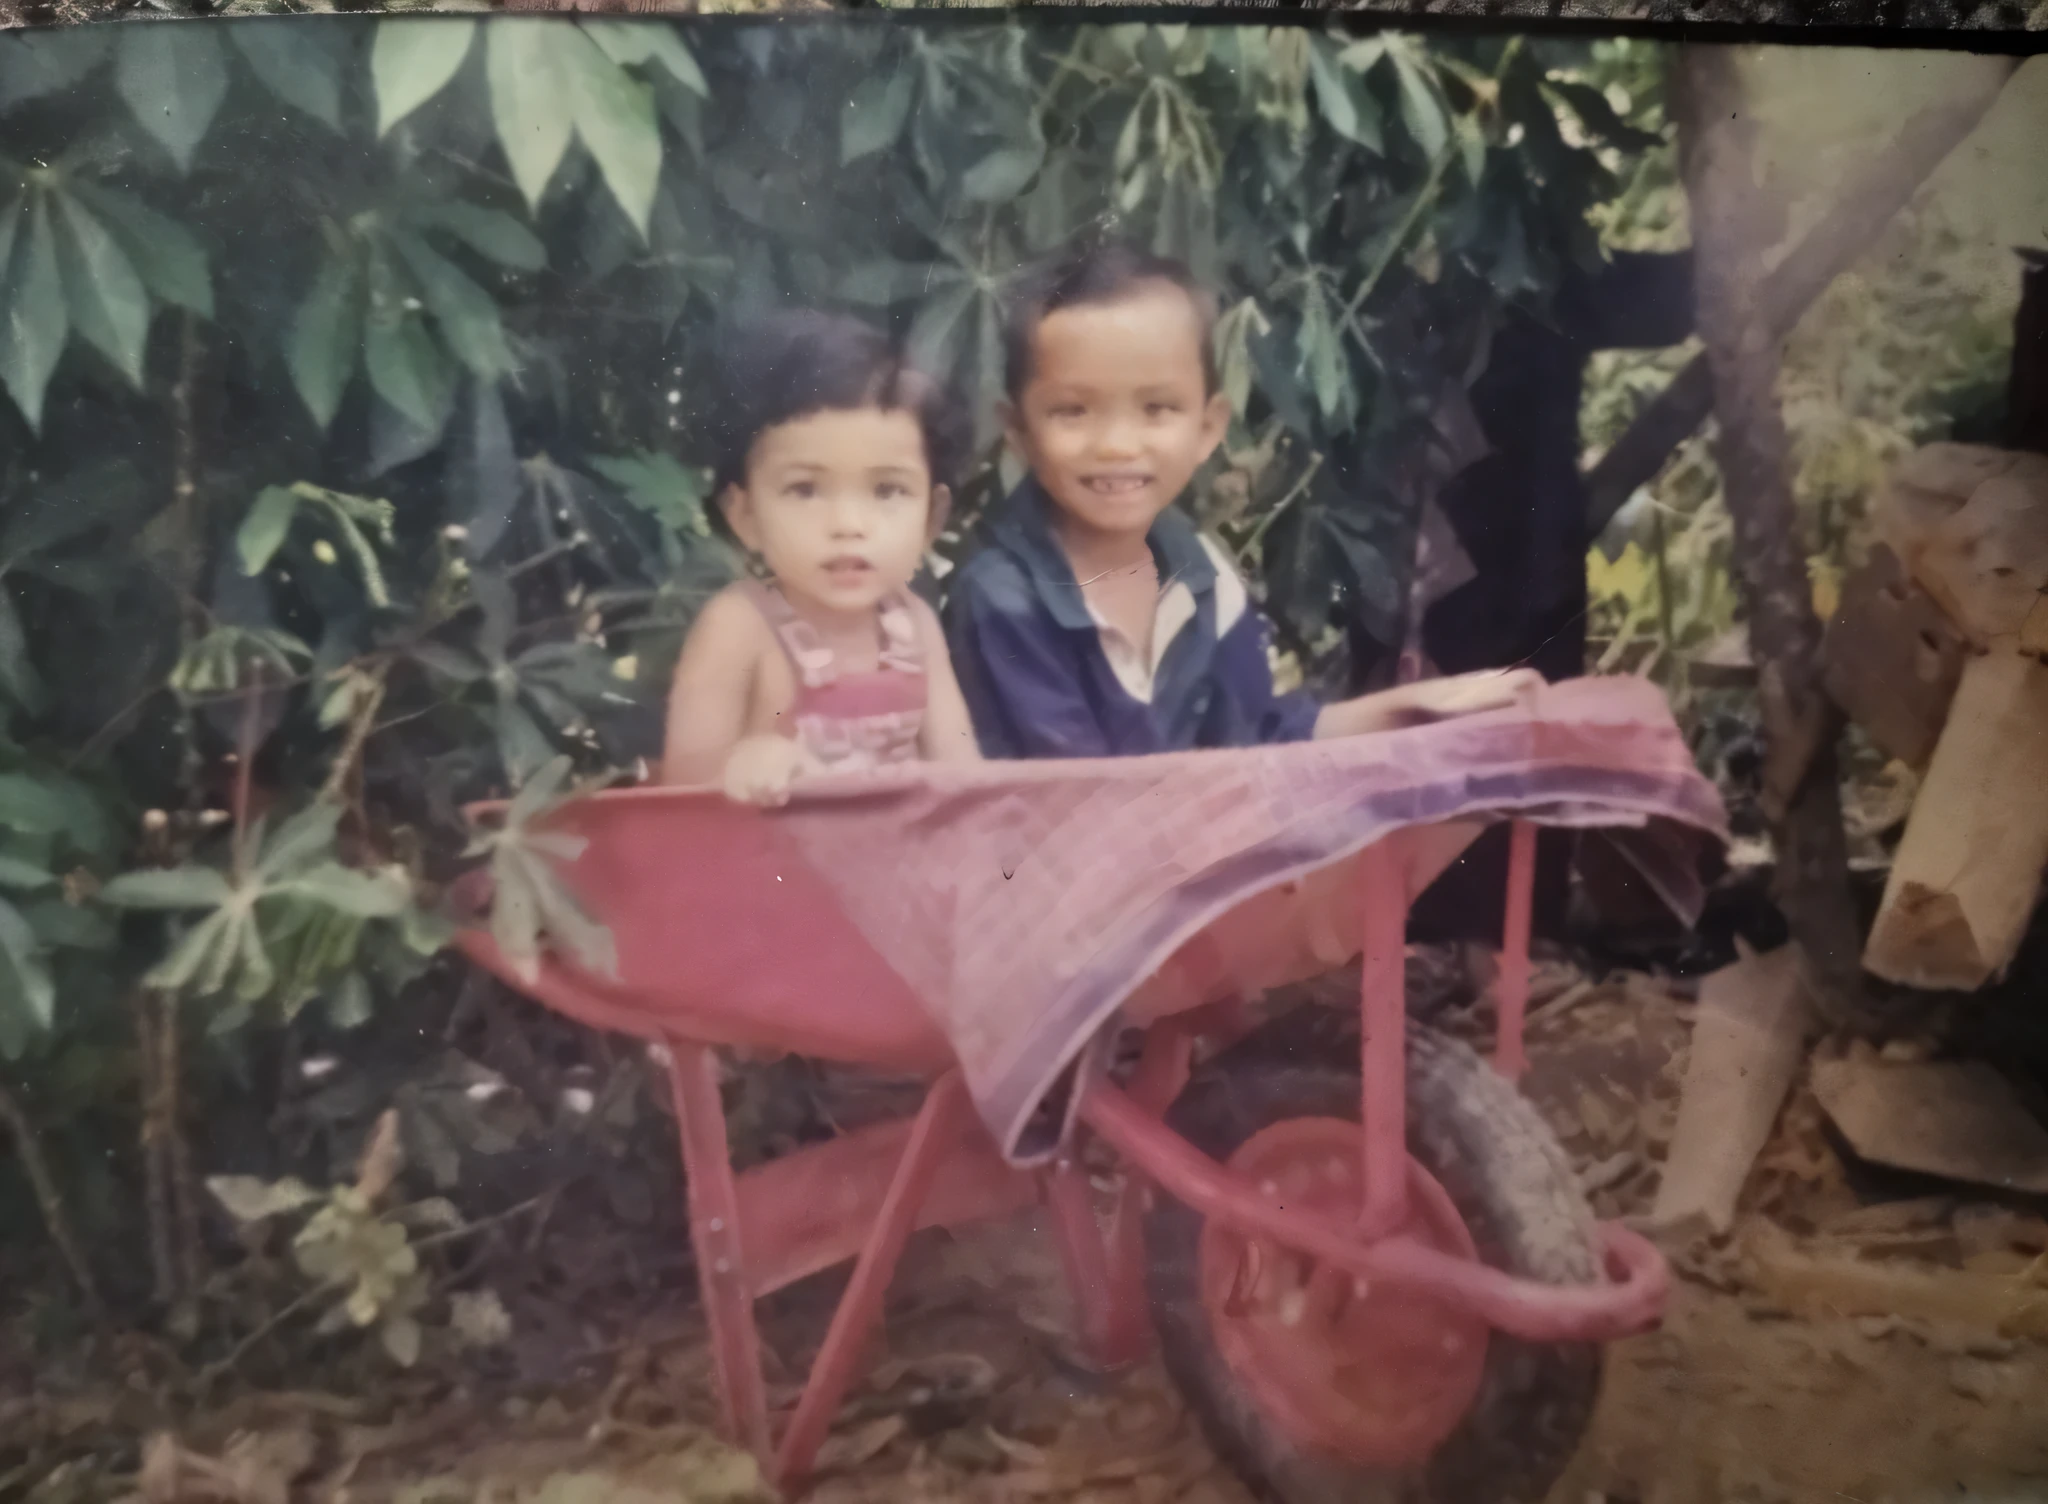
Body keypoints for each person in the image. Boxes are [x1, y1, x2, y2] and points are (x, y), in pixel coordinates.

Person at [944, 238, 1540, 760]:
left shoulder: (1198, 568)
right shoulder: (1004, 596)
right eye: (1073, 410)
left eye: (1157, 409)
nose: (1118, 445)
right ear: (1018, 433)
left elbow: (1260, 736)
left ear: (1208, 429)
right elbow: (1086, 802)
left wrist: (1414, 710)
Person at [661, 310, 981, 805]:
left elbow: (964, 780)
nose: (848, 525)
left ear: (932, 519)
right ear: (745, 515)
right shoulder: (739, 626)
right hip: (767, 874)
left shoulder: (914, 625)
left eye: (887, 490)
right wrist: (743, 762)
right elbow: (677, 797)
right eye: (806, 490)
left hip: (897, 872)